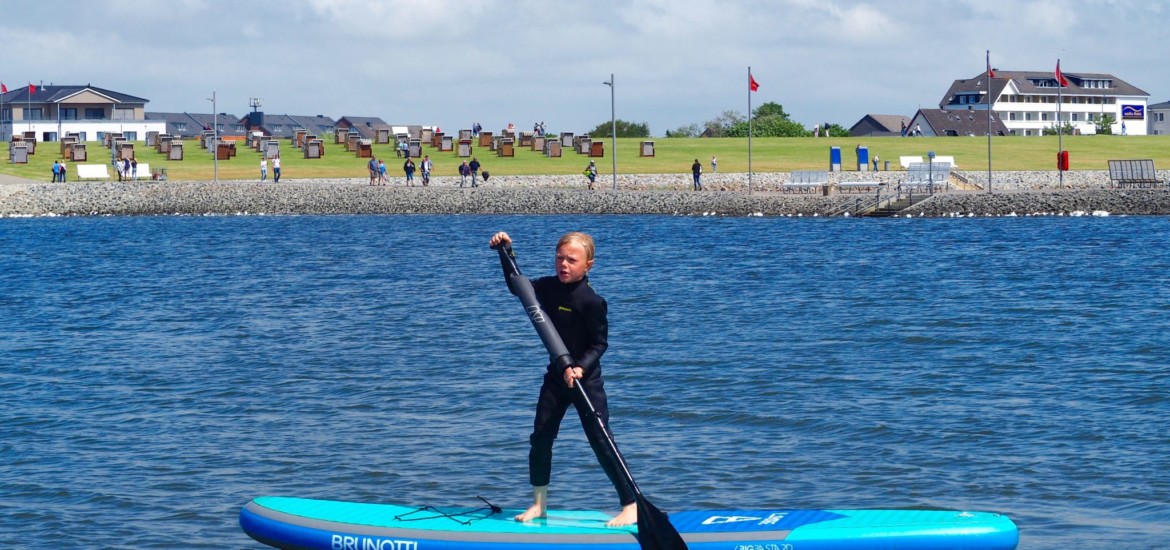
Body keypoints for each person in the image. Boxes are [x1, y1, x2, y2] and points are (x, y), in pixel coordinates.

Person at [488, 230, 638, 528]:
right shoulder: (548, 287)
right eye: (559, 258)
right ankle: (539, 505)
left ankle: (631, 505)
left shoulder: (592, 301)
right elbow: (518, 288)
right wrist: (506, 253)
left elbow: (599, 344)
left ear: (588, 265)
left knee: (600, 440)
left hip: (585, 381)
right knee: (541, 439)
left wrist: (580, 367)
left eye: (572, 260)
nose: (564, 264)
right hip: (557, 378)